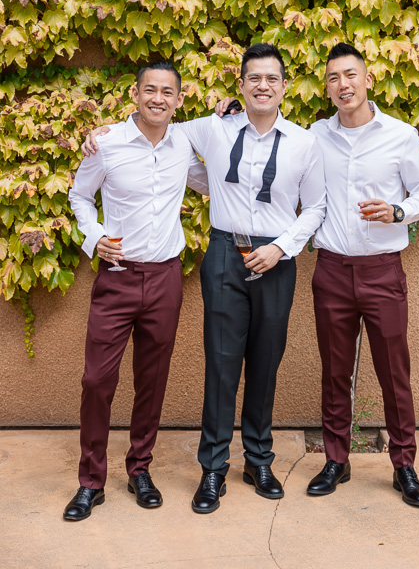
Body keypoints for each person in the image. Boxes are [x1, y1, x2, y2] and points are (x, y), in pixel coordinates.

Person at [84, 43, 326, 514]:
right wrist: (102, 133)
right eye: (252, 78)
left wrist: (280, 248)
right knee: (220, 364)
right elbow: (154, 127)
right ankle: (213, 469)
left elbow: (315, 206)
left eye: (271, 79)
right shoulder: (211, 127)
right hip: (223, 252)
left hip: (276, 255)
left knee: (265, 361)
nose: (262, 86)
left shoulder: (304, 141)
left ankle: (258, 459)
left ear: (283, 86)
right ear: (239, 85)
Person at [64, 61, 208, 521]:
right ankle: (91, 481)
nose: (158, 99)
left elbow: (224, 149)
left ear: (179, 99)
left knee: (152, 379)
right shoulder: (104, 144)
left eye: (168, 92)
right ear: (135, 94)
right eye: (151, 90)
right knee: (96, 381)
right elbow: (78, 197)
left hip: (165, 278)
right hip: (117, 277)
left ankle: (139, 469)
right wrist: (93, 238)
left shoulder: (184, 142)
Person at [306, 42, 419, 507]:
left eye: (350, 75)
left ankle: (404, 465)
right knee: (334, 372)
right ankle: (336, 460)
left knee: (393, 373)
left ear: (368, 80)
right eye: (333, 79)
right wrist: (227, 113)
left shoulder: (400, 135)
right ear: (327, 88)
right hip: (332, 271)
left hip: (383, 271)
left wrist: (399, 210)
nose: (343, 85)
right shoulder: (315, 136)